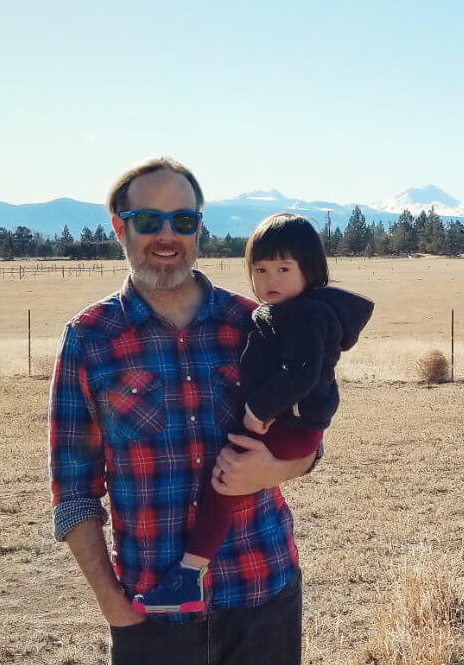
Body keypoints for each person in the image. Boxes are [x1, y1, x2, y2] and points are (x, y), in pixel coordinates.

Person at [49, 156, 317, 665]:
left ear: (200, 228)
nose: (166, 235)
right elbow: (73, 489)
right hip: (152, 609)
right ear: (120, 228)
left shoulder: (253, 323)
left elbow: (307, 440)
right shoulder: (90, 339)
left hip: (261, 592)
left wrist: (277, 470)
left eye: (183, 219)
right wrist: (112, 602)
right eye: (149, 220)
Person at [133, 212, 372, 615]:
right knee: (227, 481)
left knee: (225, 481)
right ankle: (191, 573)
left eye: (283, 269)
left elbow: (301, 372)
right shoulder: (282, 312)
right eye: (260, 270)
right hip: (290, 420)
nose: (270, 280)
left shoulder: (307, 315)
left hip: (288, 423)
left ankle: (190, 574)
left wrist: (256, 412)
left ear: (310, 272)